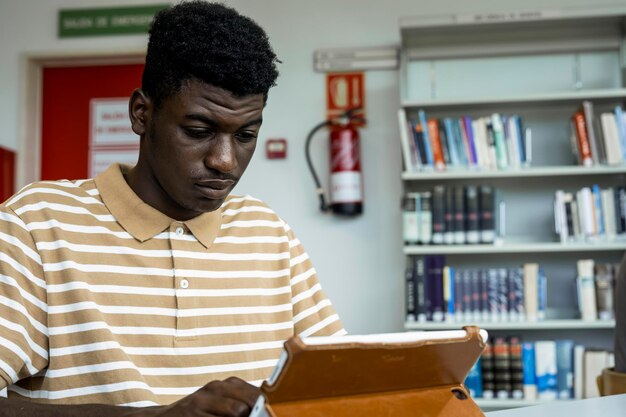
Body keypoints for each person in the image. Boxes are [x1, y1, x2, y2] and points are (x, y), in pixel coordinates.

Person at [0, 1, 344, 416]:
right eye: (199, 131)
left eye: (246, 135)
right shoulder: (35, 226)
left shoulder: (268, 233)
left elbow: (336, 382)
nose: (225, 160)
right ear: (141, 113)